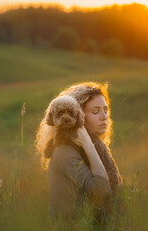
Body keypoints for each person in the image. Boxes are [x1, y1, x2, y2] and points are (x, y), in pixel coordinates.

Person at [34, 82, 122, 219]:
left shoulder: (87, 148)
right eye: (95, 111)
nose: (104, 116)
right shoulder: (65, 152)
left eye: (106, 110)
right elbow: (102, 192)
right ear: (79, 116)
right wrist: (88, 144)